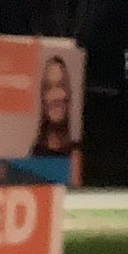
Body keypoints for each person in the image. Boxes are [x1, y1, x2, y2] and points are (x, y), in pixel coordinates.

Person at [30, 55, 83, 186]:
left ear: (69, 94)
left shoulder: (79, 154)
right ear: (42, 98)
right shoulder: (33, 156)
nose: (55, 96)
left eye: (60, 85)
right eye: (49, 87)